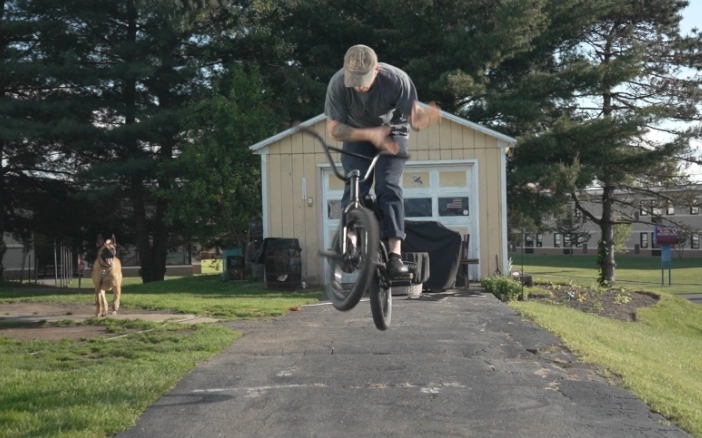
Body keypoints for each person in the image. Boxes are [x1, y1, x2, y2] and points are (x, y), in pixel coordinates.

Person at [324, 44, 441, 279]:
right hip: (356, 133)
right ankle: (351, 243)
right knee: (355, 184)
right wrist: (369, 134)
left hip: (392, 132)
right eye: (353, 80)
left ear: (376, 70)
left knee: (388, 185)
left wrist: (421, 119)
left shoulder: (397, 80)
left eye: (363, 80)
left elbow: (414, 118)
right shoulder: (338, 84)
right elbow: (334, 130)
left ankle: (395, 255)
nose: (358, 85)